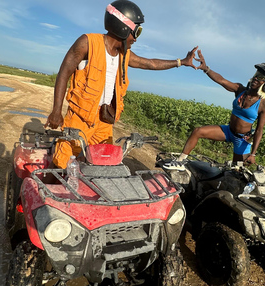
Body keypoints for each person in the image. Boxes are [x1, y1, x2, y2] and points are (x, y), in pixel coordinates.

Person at [45, 0, 198, 169]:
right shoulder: (87, 43)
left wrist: (181, 62)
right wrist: (56, 111)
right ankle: (43, 191)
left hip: (104, 120)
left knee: (103, 165)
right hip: (79, 120)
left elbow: (150, 63)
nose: (136, 38)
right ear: (123, 26)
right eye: (137, 31)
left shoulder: (125, 54)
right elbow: (63, 74)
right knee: (61, 165)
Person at [163, 49, 265, 171]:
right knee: (198, 131)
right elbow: (221, 80)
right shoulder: (240, 90)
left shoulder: (264, 105)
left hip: (242, 140)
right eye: (256, 75)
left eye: (261, 77)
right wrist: (206, 69)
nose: (256, 78)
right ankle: (180, 161)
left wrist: (253, 154)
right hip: (228, 131)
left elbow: (259, 130)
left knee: (237, 171)